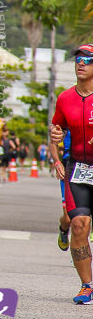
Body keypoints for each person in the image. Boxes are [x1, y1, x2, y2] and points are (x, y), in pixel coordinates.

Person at [49, 44, 93, 303]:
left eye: (88, 59)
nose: (82, 63)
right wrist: (55, 150)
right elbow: (56, 130)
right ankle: (87, 285)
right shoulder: (65, 98)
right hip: (77, 168)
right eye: (79, 59)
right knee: (79, 225)